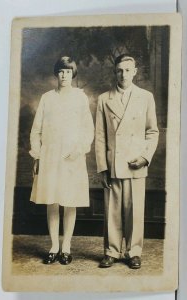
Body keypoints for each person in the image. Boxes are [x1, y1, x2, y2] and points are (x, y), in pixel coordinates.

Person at [95, 54, 159, 269]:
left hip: (135, 162)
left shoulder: (146, 97)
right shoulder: (104, 99)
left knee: (135, 211)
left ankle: (134, 252)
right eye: (119, 70)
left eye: (127, 70)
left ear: (135, 72)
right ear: (115, 72)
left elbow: (152, 132)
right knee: (112, 211)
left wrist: (145, 157)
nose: (123, 74)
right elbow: (101, 136)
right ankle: (111, 251)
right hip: (113, 163)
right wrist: (103, 167)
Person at [29, 56, 94, 265]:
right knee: (53, 201)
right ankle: (54, 246)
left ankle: (66, 247)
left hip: (72, 157)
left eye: (68, 71)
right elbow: (36, 130)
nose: (64, 75)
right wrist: (38, 155)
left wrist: (79, 150)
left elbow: (87, 129)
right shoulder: (47, 97)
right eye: (61, 71)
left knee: (69, 201)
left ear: (73, 74)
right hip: (50, 156)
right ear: (56, 74)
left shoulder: (80, 98)